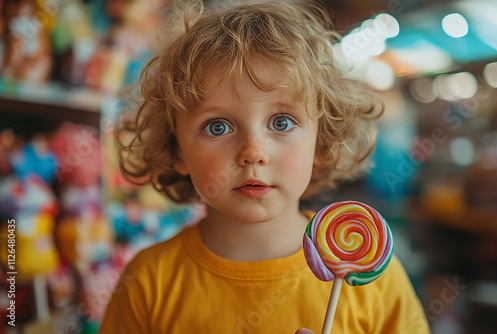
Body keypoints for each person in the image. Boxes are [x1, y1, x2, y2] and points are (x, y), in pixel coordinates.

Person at [98, 0, 430, 333]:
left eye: (282, 122)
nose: (252, 152)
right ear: (176, 149)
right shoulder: (147, 282)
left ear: (322, 141)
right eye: (218, 126)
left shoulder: (371, 280)